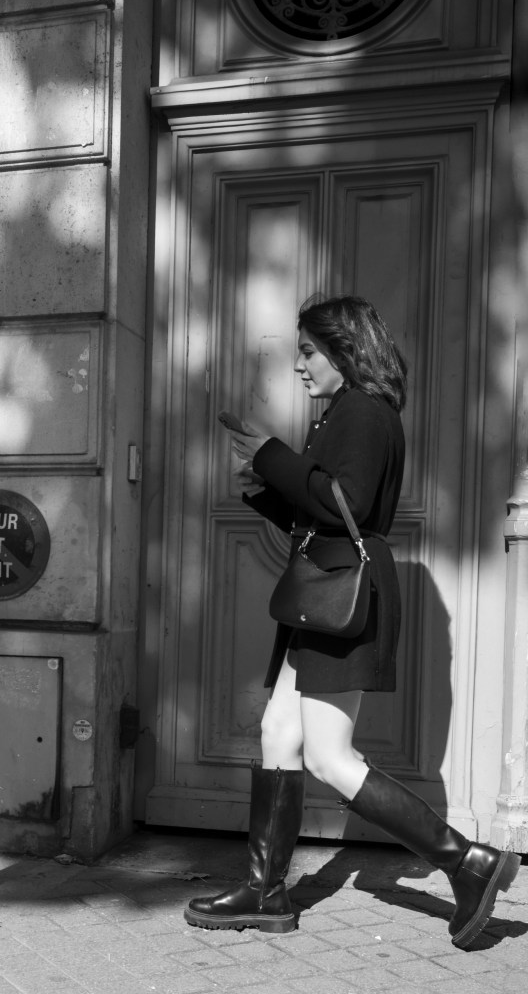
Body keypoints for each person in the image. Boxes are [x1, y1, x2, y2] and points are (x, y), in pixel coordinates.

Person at [184, 294, 520, 950]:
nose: (299, 365)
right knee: (278, 733)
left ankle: (467, 862)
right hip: (323, 591)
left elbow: (350, 504)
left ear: (345, 351)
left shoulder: (363, 411)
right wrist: (262, 485)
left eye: (309, 351)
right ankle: (266, 891)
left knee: (329, 757)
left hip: (342, 596)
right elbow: (324, 513)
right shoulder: (344, 411)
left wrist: (271, 454)